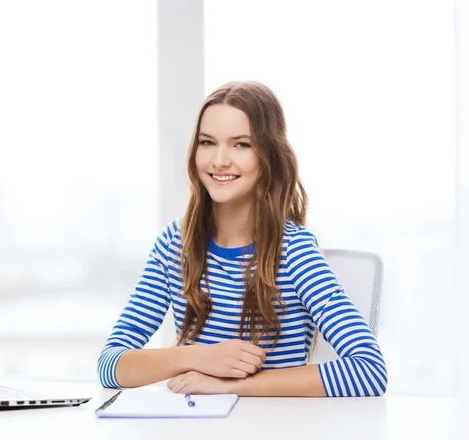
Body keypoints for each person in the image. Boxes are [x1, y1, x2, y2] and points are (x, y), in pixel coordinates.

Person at [96, 81, 387, 397]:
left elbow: (370, 371)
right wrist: (199, 357)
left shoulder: (294, 251)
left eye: (241, 145)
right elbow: (110, 366)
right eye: (207, 142)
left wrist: (234, 386)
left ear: (269, 157)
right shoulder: (173, 245)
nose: (219, 160)